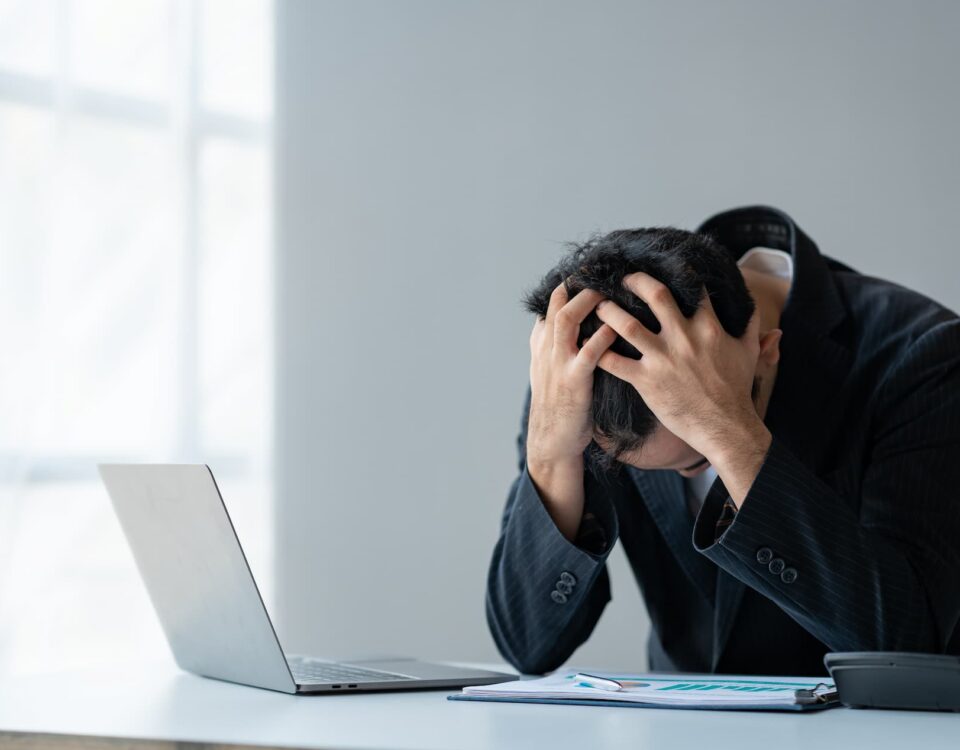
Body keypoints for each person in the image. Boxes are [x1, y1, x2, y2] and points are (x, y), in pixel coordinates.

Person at [486, 205, 960, 676]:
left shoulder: (925, 356)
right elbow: (528, 646)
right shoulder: (584, 361)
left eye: (695, 461)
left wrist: (729, 436)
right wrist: (550, 460)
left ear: (764, 354)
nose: (693, 476)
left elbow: (906, 648)